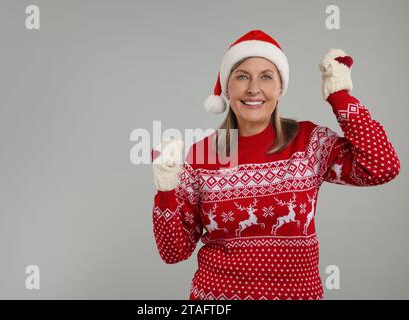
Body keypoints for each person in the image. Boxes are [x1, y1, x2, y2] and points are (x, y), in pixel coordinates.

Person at [150, 30, 400, 300]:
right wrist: (166, 190)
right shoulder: (203, 155)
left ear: (281, 88)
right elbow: (173, 252)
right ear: (226, 87)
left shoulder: (308, 142)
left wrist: (339, 96)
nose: (253, 89)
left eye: (266, 76)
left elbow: (381, 166)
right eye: (242, 76)